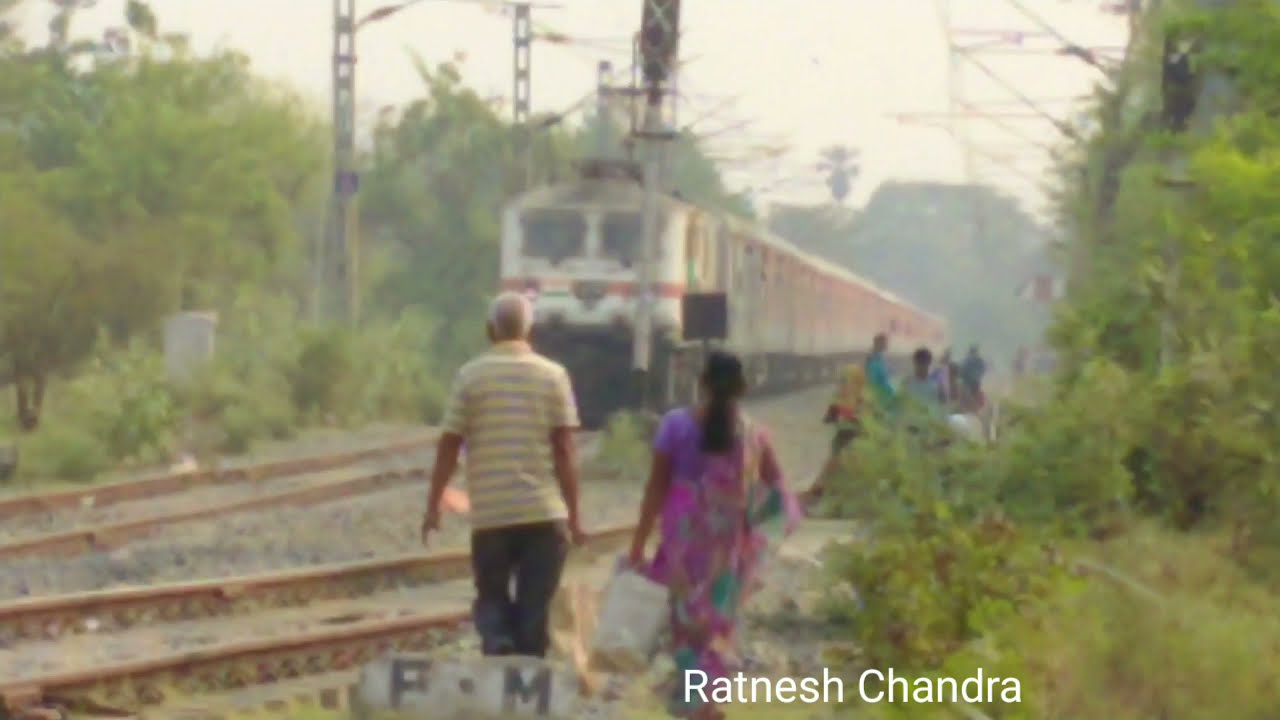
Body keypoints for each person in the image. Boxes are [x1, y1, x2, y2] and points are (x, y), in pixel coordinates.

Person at [627, 351, 801, 720]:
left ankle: (696, 706)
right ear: (743, 387)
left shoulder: (675, 425)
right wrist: (758, 538)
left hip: (682, 548)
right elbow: (780, 492)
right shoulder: (755, 435)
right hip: (727, 552)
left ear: (702, 382)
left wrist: (638, 544)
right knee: (717, 627)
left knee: (686, 628)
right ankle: (707, 702)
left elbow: (655, 489)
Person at [421, 291, 586, 658]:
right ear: (529, 330)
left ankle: (498, 642)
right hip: (543, 514)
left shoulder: (470, 377)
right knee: (534, 611)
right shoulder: (554, 376)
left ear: (490, 330)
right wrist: (575, 518)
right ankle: (525, 667)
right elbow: (564, 451)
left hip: (492, 516)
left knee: (492, 597)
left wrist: (433, 506)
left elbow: (449, 445)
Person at [803, 363, 866, 504]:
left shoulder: (860, 399)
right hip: (844, 437)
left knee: (842, 464)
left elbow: (868, 421)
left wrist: (851, 416)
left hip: (855, 437)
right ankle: (821, 488)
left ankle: (825, 489)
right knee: (835, 463)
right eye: (842, 381)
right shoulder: (840, 400)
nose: (843, 385)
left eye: (846, 381)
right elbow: (828, 419)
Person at [900, 347, 945, 426]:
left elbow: (942, 409)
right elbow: (900, 405)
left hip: (929, 426)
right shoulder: (907, 383)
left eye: (924, 362)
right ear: (914, 362)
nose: (921, 366)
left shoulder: (936, 385)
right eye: (919, 362)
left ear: (929, 363)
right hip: (910, 426)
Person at [865, 332, 895, 415]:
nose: (887, 345)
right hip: (881, 396)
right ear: (879, 344)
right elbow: (872, 380)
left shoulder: (880, 357)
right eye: (885, 343)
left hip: (885, 394)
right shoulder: (874, 359)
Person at [961, 345, 987, 410]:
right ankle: (980, 407)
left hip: (968, 382)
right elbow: (983, 369)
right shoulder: (980, 360)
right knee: (978, 394)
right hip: (976, 382)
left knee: (965, 395)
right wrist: (979, 376)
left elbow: (962, 371)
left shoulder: (966, 360)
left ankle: (966, 407)